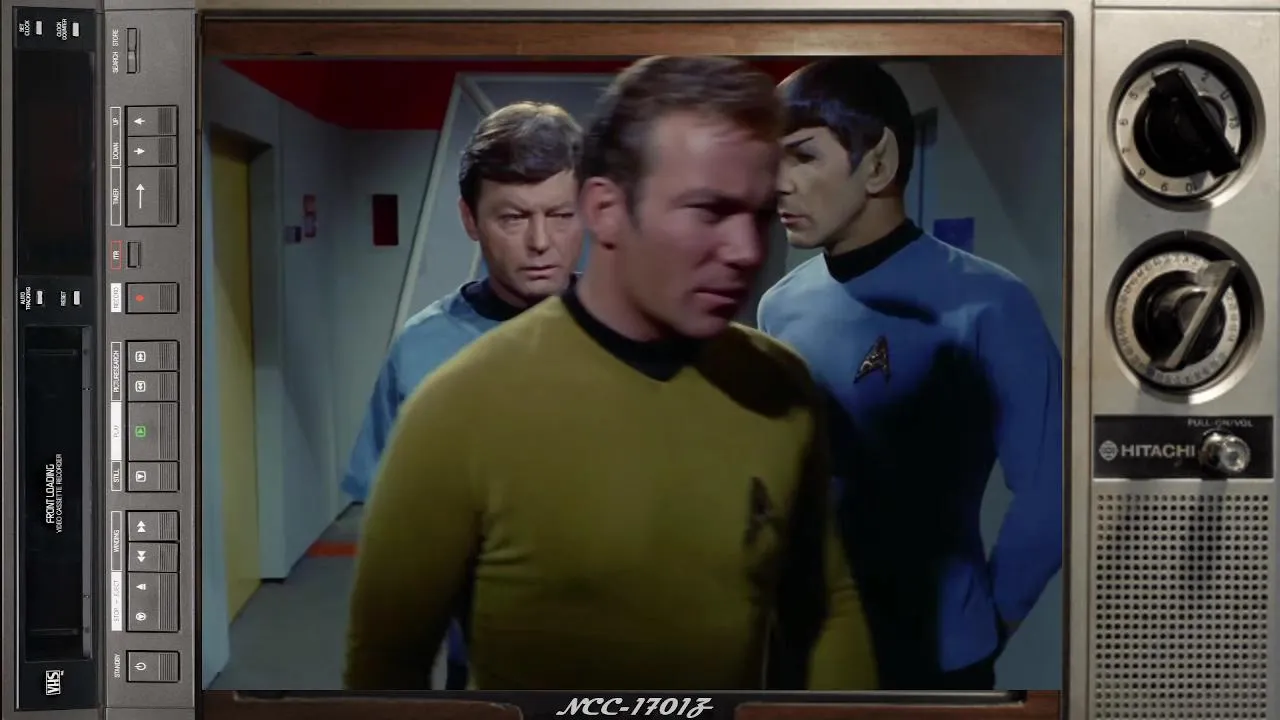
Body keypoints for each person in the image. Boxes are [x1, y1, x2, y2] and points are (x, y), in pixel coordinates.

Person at [344, 55, 878, 692]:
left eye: (758, 214)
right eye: (707, 211)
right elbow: (386, 664)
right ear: (606, 208)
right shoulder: (457, 404)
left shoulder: (781, 384)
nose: (746, 251)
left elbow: (826, 606)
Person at [757, 57, 1063, 691]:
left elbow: (1051, 491)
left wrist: (992, 621)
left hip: (937, 661)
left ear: (878, 163)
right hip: (805, 651)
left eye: (803, 156)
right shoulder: (780, 306)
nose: (778, 183)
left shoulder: (989, 303)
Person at [342, 101, 585, 689]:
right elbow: (390, 532)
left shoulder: (636, 335)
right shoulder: (422, 348)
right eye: (513, 218)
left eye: (561, 214)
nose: (541, 242)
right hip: (479, 664)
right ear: (470, 219)